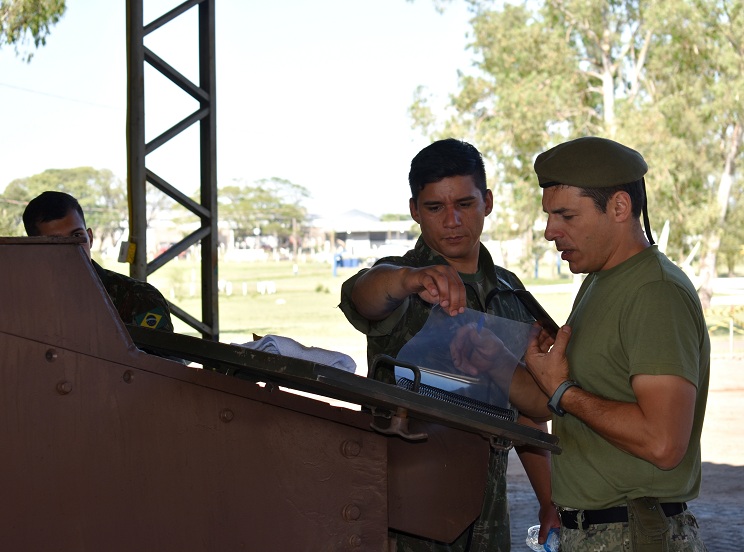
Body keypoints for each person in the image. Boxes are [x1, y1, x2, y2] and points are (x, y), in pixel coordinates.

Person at [339, 138, 558, 551]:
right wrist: (409, 280)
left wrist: (549, 502)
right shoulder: (402, 282)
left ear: (487, 202)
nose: (452, 220)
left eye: (465, 204)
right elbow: (363, 295)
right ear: (415, 210)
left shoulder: (510, 293)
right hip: (405, 516)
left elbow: (528, 414)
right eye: (435, 207)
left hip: (487, 517)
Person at [523, 136, 709, 551]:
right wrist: (496, 362)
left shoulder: (655, 291)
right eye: (549, 215)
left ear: (620, 207)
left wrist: (563, 391)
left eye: (566, 215)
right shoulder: (600, 280)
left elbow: (663, 443)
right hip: (598, 530)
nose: (550, 231)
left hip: (631, 533)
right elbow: (554, 401)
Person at [23, 191, 174, 332]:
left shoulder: (140, 298)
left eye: (77, 236)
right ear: (36, 249)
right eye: (56, 242)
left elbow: (159, 352)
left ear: (90, 237)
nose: (72, 248)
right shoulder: (22, 301)